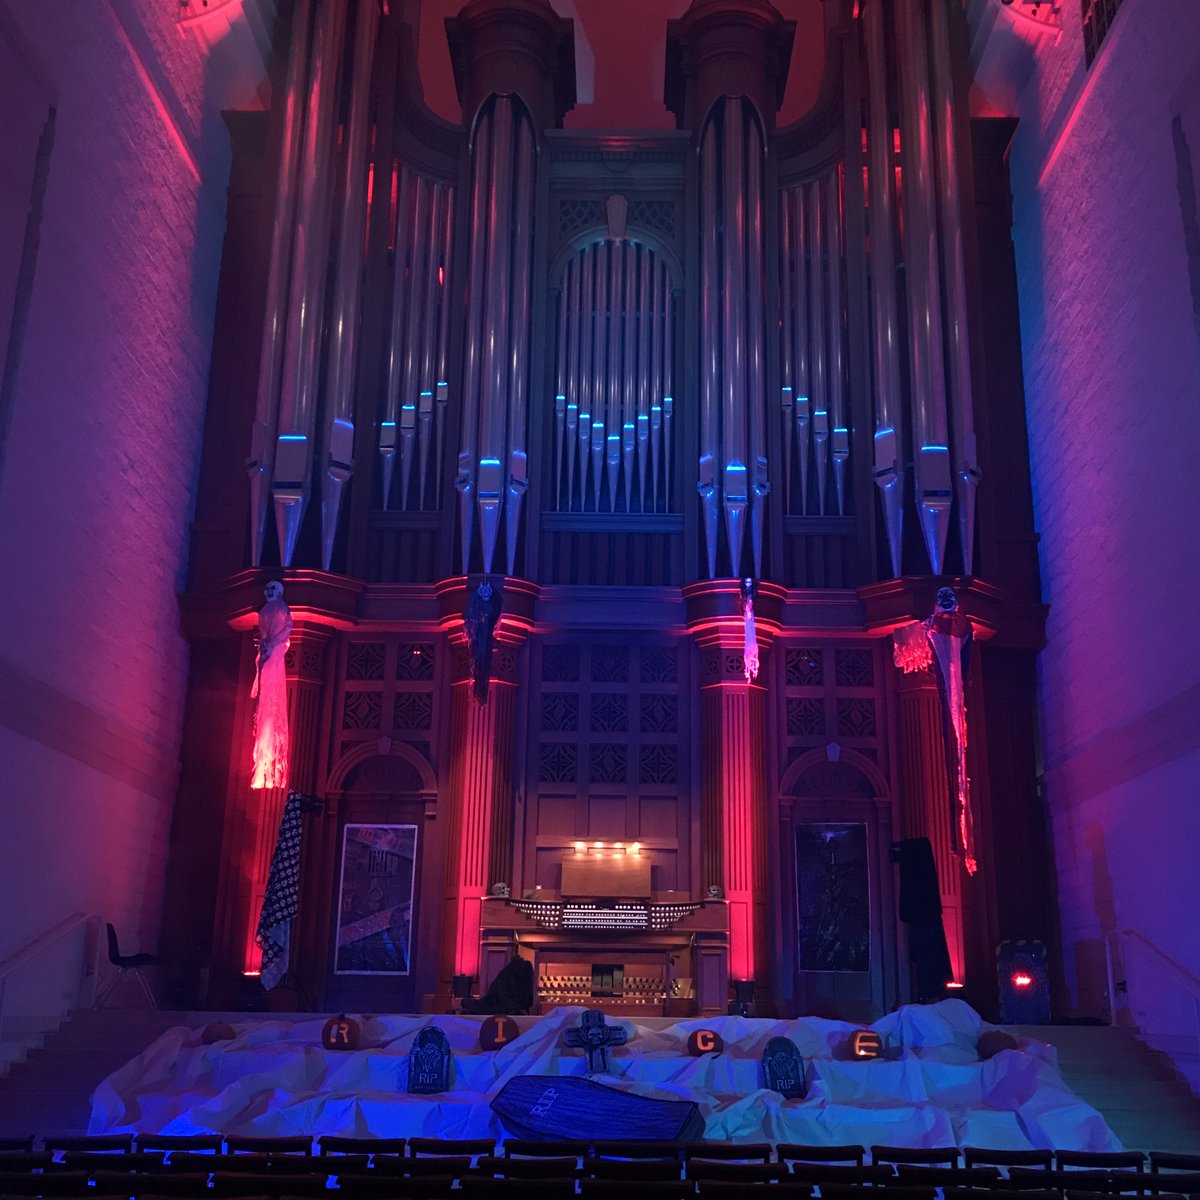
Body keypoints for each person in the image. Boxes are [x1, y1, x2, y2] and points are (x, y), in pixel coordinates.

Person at [251, 580, 292, 789]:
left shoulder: (280, 608)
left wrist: (272, 643)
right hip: (269, 649)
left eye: (272, 589)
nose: (268, 592)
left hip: (272, 649)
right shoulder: (267, 609)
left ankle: (270, 769)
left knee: (271, 696)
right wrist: (267, 643)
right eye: (267, 588)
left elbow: (284, 629)